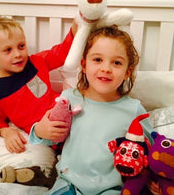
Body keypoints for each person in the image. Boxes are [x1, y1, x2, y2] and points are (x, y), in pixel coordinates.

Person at [29, 25, 160, 195]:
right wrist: (40, 130)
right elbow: (50, 137)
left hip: (111, 188)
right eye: (98, 60)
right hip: (69, 183)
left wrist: (152, 177)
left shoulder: (133, 109)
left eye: (117, 62)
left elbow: (150, 150)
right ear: (84, 65)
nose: (106, 68)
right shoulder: (69, 98)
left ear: (127, 72)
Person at [0, 16, 77, 154]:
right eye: (8, 50)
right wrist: (6, 132)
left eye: (21, 46)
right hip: (45, 133)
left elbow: (61, 53)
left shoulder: (37, 62)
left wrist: (77, 27)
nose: (18, 54)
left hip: (68, 114)